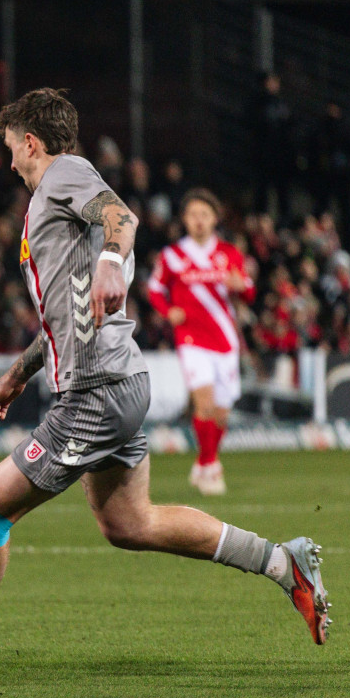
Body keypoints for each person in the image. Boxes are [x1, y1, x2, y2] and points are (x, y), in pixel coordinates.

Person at [0, 89, 327, 682]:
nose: (8, 161)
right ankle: (280, 562)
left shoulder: (65, 175)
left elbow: (122, 217)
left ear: (31, 142)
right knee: (129, 524)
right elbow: (68, 313)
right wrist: (18, 372)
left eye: (11, 147)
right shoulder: (56, 198)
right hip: (118, 380)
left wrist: (112, 258)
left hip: (96, 392)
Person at [146, 189, 255, 495]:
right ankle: (209, 468)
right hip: (192, 339)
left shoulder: (229, 253)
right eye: (193, 215)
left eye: (204, 215)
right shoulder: (172, 256)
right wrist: (169, 312)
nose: (198, 220)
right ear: (184, 219)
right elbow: (154, 289)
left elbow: (249, 291)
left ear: (214, 219)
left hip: (225, 339)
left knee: (222, 412)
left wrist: (239, 287)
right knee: (204, 403)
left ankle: (206, 460)